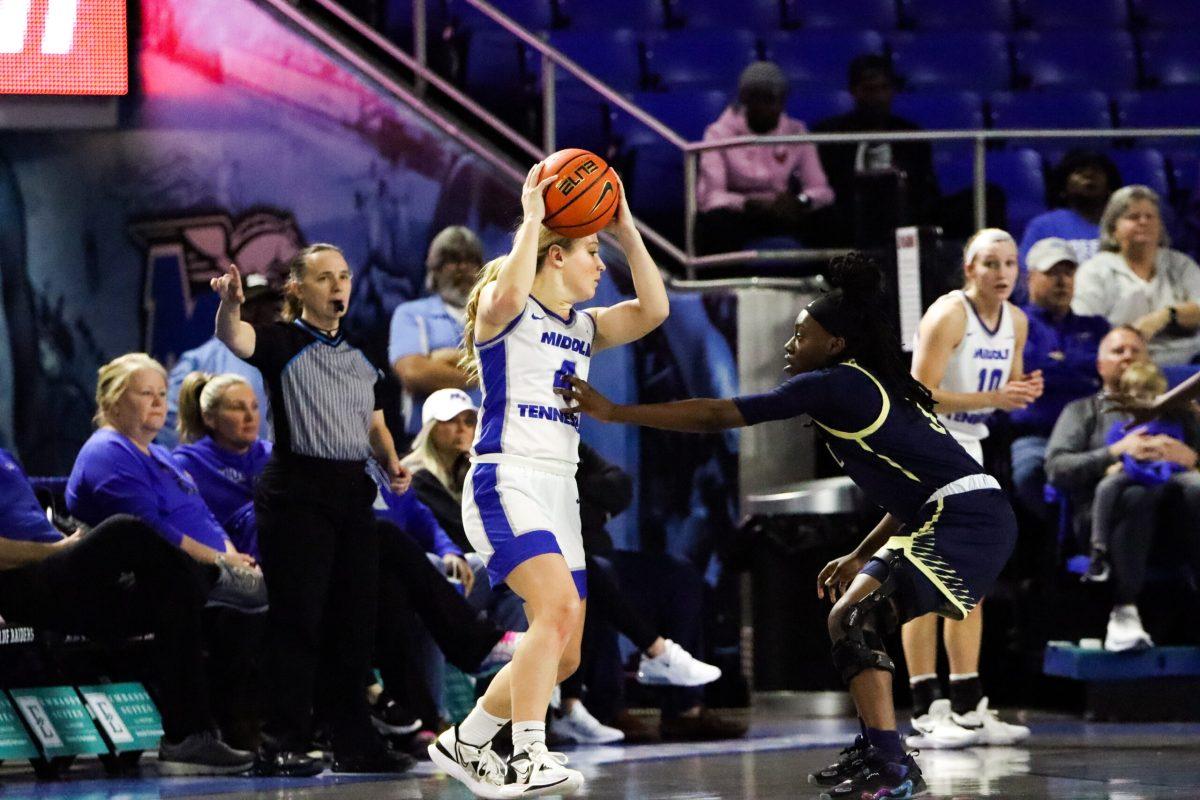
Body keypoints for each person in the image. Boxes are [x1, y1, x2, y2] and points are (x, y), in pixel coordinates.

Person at [560, 252, 1021, 799]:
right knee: (849, 615)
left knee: (853, 615)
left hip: (968, 517)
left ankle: (891, 762)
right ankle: (882, 752)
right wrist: (859, 552)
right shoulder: (868, 385)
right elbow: (911, 493)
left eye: (802, 335)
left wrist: (614, 412)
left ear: (835, 345)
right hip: (951, 510)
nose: (789, 345)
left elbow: (719, 414)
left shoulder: (836, 385)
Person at [428, 165, 668, 798]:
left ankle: (469, 739)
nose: (599, 266)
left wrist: (622, 228)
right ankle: (528, 753)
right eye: (591, 253)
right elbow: (506, 294)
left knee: (563, 653)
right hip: (508, 479)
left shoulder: (582, 328)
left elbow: (655, 309)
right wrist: (532, 217)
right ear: (554, 257)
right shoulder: (505, 313)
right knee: (554, 611)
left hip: (561, 489)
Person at [170, 372, 519, 747]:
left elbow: (398, 512)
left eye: (254, 406)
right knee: (381, 545)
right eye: (237, 408)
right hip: (254, 564)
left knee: (389, 585)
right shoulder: (188, 462)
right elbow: (201, 523)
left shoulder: (271, 454)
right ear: (209, 417)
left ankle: (421, 715)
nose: (249, 416)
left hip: (311, 556)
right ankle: (463, 661)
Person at [212, 244, 413, 776]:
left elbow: (373, 423)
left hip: (351, 492)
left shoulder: (359, 350)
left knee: (353, 624)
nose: (338, 286)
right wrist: (230, 306)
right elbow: (235, 338)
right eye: (325, 278)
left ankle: (353, 739)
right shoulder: (281, 341)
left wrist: (391, 461)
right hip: (297, 491)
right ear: (298, 289)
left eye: (344, 276)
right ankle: (281, 739)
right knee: (299, 622)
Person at [0, 448, 254, 776]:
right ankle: (212, 579)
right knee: (124, 530)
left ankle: (188, 739)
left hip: (67, 577)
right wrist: (54, 549)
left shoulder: (6, 456)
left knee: (174, 596)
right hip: (22, 585)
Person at [65, 354, 268, 750]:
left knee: (293, 593)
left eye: (162, 394)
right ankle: (243, 731)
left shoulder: (160, 455)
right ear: (111, 403)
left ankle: (292, 723)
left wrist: (231, 556)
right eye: (146, 394)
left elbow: (203, 516)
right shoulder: (107, 451)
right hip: (141, 584)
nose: (159, 403)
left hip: (202, 572)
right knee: (261, 607)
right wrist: (225, 562)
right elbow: (155, 533)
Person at [903, 228, 1039, 750]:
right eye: (990, 263)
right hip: (927, 448)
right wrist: (994, 397)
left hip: (972, 449)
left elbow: (1007, 389)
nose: (1002, 272)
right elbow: (916, 396)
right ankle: (925, 707)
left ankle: (966, 704)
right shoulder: (949, 313)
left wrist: (1021, 392)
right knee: (924, 576)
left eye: (1010, 263)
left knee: (972, 579)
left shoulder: (1017, 321)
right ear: (969, 269)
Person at [1045, 327, 1200, 651]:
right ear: (1101, 365)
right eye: (1118, 351)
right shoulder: (1082, 410)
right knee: (1135, 493)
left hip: (1177, 519)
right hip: (1107, 515)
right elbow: (1058, 469)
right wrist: (1116, 452)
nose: (1128, 356)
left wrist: (1192, 458)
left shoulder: (1180, 413)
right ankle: (1124, 611)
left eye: (1135, 350)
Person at [1009, 239, 1110, 523]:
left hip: (1091, 433)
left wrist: (1054, 368)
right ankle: (1052, 548)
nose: (1062, 281)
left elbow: (1111, 376)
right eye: (1052, 273)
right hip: (1036, 434)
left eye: (1068, 273)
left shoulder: (1096, 326)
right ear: (1030, 277)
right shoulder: (1013, 323)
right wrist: (1083, 372)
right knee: (1029, 474)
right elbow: (1027, 374)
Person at [695, 61, 835, 255]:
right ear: (745, 99)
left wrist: (801, 200)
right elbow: (710, 197)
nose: (770, 107)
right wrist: (748, 203)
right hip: (741, 213)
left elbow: (821, 189)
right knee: (715, 223)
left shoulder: (797, 132)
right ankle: (722, 283)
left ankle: (822, 283)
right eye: (762, 99)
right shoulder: (718, 133)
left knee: (830, 218)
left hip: (784, 210)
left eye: (776, 100)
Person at [812, 55, 940, 246]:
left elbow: (926, 191)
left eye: (884, 89)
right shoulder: (829, 134)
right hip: (847, 218)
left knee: (988, 196)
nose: (879, 98)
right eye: (870, 90)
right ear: (854, 91)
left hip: (903, 215)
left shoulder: (911, 135)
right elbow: (825, 189)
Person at [1073, 185, 1200, 365]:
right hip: (1126, 364)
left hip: (1189, 363)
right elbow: (1085, 327)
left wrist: (1165, 316)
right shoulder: (1095, 270)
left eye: (1150, 217)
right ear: (1113, 229)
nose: (1143, 222)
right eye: (1133, 217)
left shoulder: (1180, 264)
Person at [163, 273, 281, 448]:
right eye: (255, 305)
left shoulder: (286, 353)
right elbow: (171, 420)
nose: (267, 312)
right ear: (236, 309)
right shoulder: (199, 361)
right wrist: (198, 465)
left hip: (277, 468)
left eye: (269, 304)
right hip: (218, 469)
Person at [389, 226, 485, 438]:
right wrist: (488, 367)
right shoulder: (412, 314)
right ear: (435, 269)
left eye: (470, 261)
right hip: (426, 442)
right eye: (452, 261)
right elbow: (414, 373)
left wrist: (446, 359)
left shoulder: (495, 318)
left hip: (486, 443)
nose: (462, 268)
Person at [1015, 150, 1121, 304]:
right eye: (1079, 172)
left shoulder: (1124, 226)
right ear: (1063, 186)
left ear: (1110, 185)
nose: (1089, 175)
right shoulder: (1043, 226)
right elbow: (1025, 279)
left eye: (1097, 171)